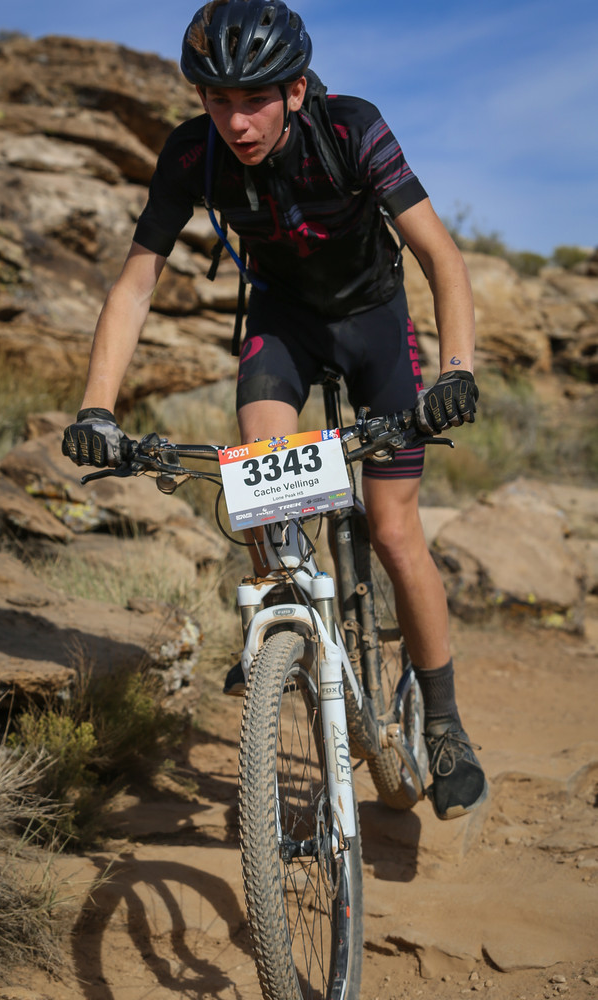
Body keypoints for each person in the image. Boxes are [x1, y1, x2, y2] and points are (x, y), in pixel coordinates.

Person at [62, 0, 487, 822]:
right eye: (216, 100)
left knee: (393, 529)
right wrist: (97, 411)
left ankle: (443, 723)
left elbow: (440, 254)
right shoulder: (193, 154)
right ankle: (283, 632)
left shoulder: (350, 128)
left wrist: (457, 370)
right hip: (282, 324)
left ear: (293, 90)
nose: (235, 122)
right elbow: (136, 283)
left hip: (374, 321)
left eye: (253, 99)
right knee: (264, 480)